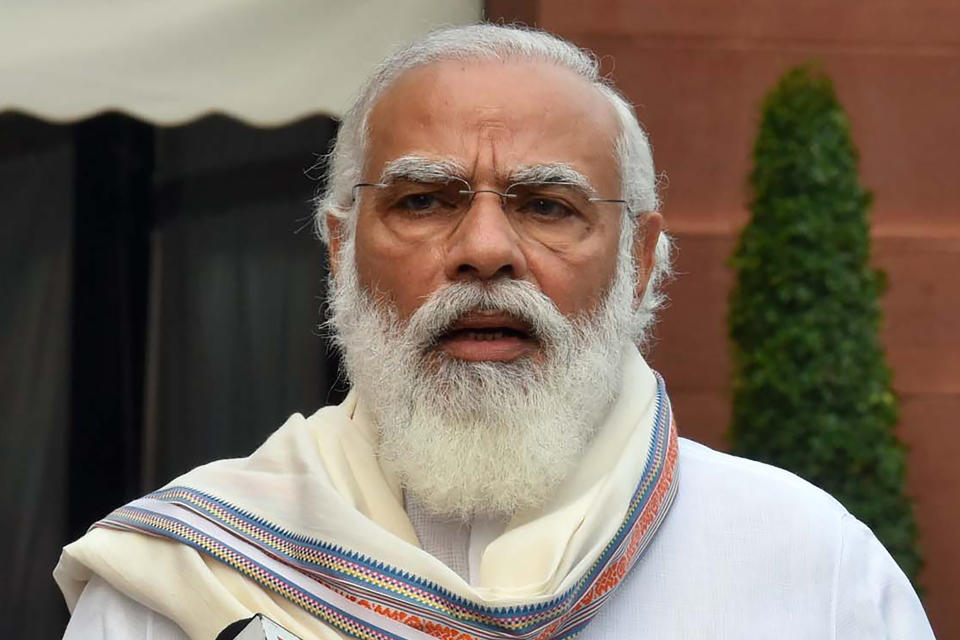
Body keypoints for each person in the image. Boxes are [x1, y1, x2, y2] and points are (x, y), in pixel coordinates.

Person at [55, 24, 934, 639]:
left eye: (547, 206)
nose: (483, 251)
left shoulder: (809, 569)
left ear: (639, 261)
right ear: (340, 250)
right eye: (424, 200)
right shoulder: (184, 578)